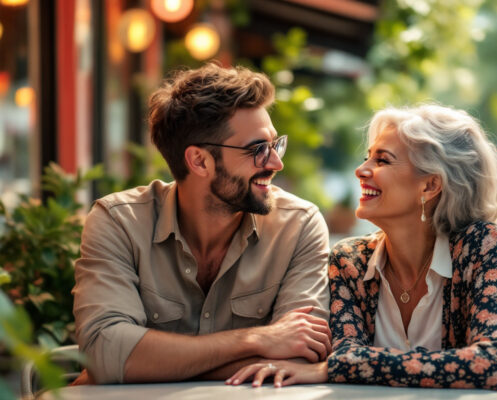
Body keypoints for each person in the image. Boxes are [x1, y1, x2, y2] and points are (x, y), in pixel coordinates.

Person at [227, 104, 497, 400]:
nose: (361, 170)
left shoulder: (481, 246)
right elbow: (348, 355)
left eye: (382, 160)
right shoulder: (349, 261)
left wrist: (340, 368)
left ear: (430, 185)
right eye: (367, 158)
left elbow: (496, 364)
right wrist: (345, 366)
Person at [72, 63, 331, 384]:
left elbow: (302, 351)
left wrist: (143, 363)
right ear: (199, 161)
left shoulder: (298, 226)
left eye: (275, 144)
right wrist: (257, 340)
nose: (276, 162)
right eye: (258, 149)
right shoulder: (118, 222)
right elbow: (105, 353)